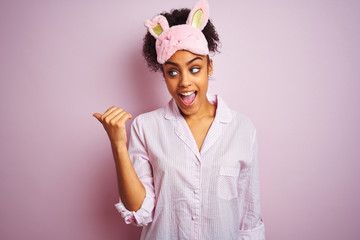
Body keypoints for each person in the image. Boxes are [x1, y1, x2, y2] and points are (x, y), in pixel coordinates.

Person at [93, 0, 266, 239]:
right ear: (163, 75)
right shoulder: (146, 127)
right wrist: (118, 145)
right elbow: (139, 211)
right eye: (173, 72)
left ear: (209, 67)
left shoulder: (242, 128)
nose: (184, 82)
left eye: (194, 69)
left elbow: (249, 219)